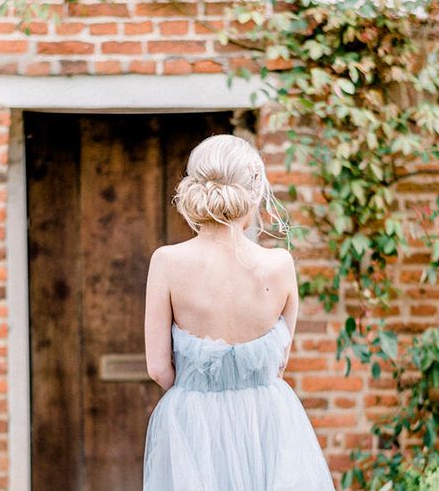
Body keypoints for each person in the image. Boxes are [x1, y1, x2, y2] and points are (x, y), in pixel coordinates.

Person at [143, 134, 335, 490]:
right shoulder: (280, 264)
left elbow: (158, 368)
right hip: (269, 422)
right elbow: (279, 362)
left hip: (193, 424)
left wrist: (198, 391)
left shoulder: (167, 262)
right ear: (255, 191)